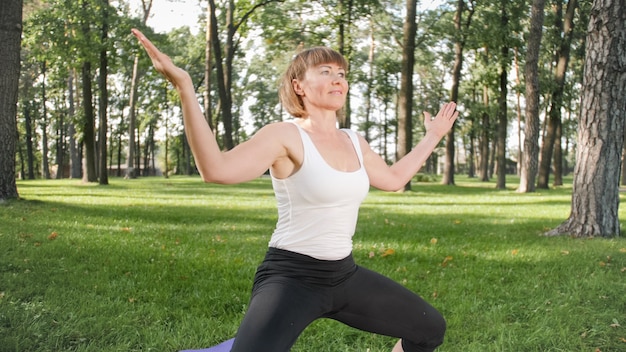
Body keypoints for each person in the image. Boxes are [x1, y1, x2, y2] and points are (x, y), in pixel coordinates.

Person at [132, 28, 458, 352]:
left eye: (341, 73)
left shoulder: (354, 141)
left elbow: (394, 179)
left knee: (429, 329)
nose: (337, 79)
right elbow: (216, 170)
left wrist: (433, 135)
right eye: (326, 71)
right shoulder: (285, 136)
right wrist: (185, 88)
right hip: (292, 277)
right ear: (298, 85)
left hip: (344, 275)